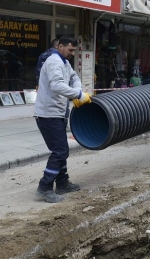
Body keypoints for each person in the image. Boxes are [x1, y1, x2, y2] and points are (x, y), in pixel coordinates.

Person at [34, 36, 91, 203]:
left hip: (57, 113)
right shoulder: (54, 62)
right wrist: (79, 95)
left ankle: (62, 183)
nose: (72, 53)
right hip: (47, 114)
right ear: (59, 46)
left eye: (74, 50)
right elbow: (57, 85)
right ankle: (44, 187)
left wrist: (77, 90)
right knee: (60, 151)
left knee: (62, 149)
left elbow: (74, 78)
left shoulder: (65, 63)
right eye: (70, 50)